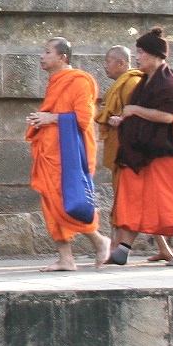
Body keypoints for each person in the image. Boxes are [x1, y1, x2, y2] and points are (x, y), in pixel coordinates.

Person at [109, 28, 173, 267]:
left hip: (167, 151)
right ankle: (123, 249)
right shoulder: (144, 82)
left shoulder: (171, 80)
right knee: (136, 196)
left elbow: (171, 117)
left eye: (141, 53)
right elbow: (140, 114)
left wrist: (134, 111)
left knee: (171, 201)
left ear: (155, 55)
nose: (138, 57)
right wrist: (123, 120)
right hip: (143, 150)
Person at [25, 38, 110, 272]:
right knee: (51, 204)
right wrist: (42, 120)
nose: (42, 56)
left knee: (69, 201)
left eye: (47, 52)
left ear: (62, 57)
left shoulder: (80, 81)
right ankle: (66, 258)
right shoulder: (55, 82)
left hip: (71, 154)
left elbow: (83, 119)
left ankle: (100, 241)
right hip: (51, 153)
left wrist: (50, 118)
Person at [95, 47, 167, 261]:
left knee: (128, 200)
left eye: (108, 61)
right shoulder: (121, 85)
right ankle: (164, 249)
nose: (104, 66)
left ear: (121, 63)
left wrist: (120, 121)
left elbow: (137, 116)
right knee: (138, 199)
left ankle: (118, 247)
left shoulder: (132, 83)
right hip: (121, 147)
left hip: (130, 150)